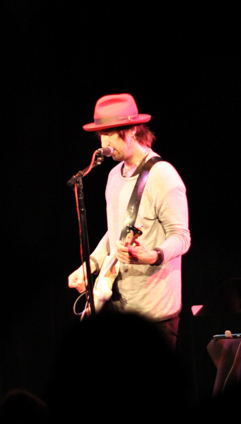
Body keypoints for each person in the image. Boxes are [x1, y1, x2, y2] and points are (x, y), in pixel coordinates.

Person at [68, 93, 190, 346]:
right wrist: (91, 265)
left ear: (132, 130)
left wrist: (154, 255)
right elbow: (115, 231)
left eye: (111, 134)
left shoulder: (163, 175)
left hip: (155, 314)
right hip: (120, 311)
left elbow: (182, 237)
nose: (105, 143)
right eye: (101, 135)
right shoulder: (114, 176)